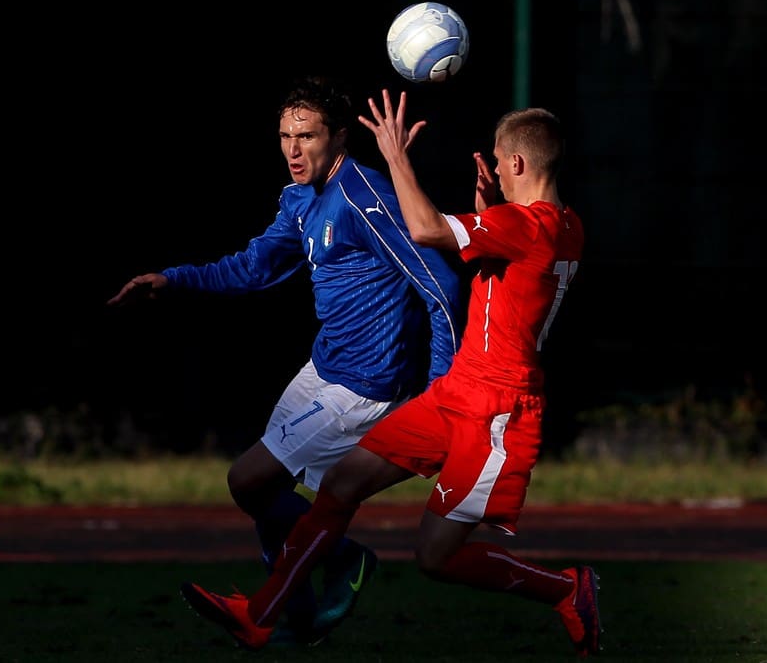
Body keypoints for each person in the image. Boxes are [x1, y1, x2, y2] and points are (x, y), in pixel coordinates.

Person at [179, 90, 601, 658]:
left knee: (436, 557)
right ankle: (260, 616)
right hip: (456, 391)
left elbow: (426, 231)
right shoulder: (563, 223)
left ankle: (567, 589)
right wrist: (483, 209)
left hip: (496, 409)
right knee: (342, 485)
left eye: (499, 162)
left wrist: (395, 153)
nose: (496, 169)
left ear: (519, 164)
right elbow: (509, 270)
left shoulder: (529, 225)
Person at [109, 77, 462, 645]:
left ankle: (342, 561)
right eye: (284, 136)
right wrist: (173, 281)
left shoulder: (362, 196)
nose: (293, 149)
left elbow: (440, 284)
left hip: (365, 383)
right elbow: (254, 267)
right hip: (324, 367)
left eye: (307, 136)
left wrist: (442, 389)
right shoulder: (299, 197)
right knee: (260, 492)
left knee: (247, 479)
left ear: (339, 137)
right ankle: (300, 616)